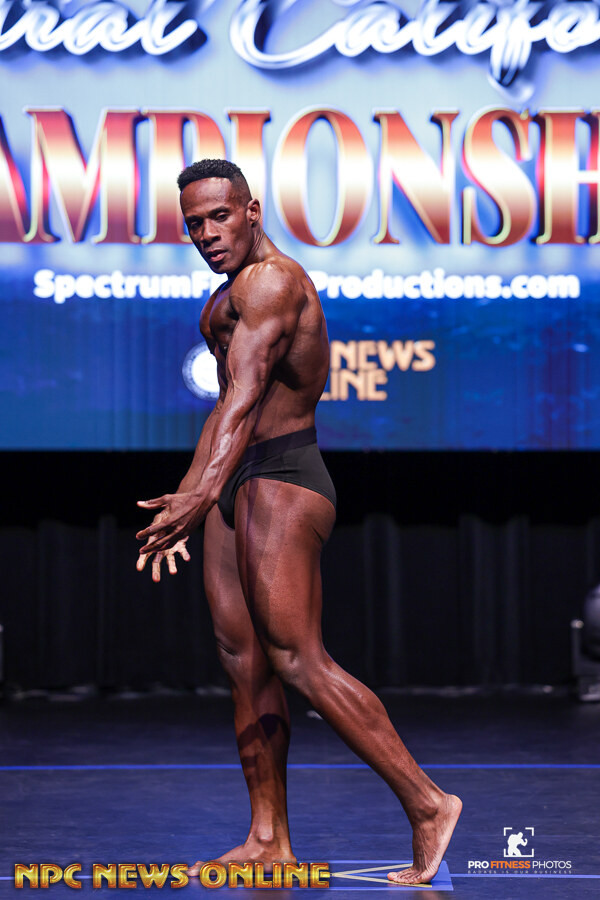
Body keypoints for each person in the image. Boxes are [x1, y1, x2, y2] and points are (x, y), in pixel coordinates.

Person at [135, 159, 462, 886]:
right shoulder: (223, 298)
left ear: (252, 211)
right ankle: (268, 838)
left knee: (296, 660)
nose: (206, 233)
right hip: (234, 479)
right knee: (242, 661)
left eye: (219, 216)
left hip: (283, 477)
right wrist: (190, 497)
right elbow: (223, 408)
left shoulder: (273, 284)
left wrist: (201, 494)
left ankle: (428, 803)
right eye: (193, 223)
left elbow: (248, 398)